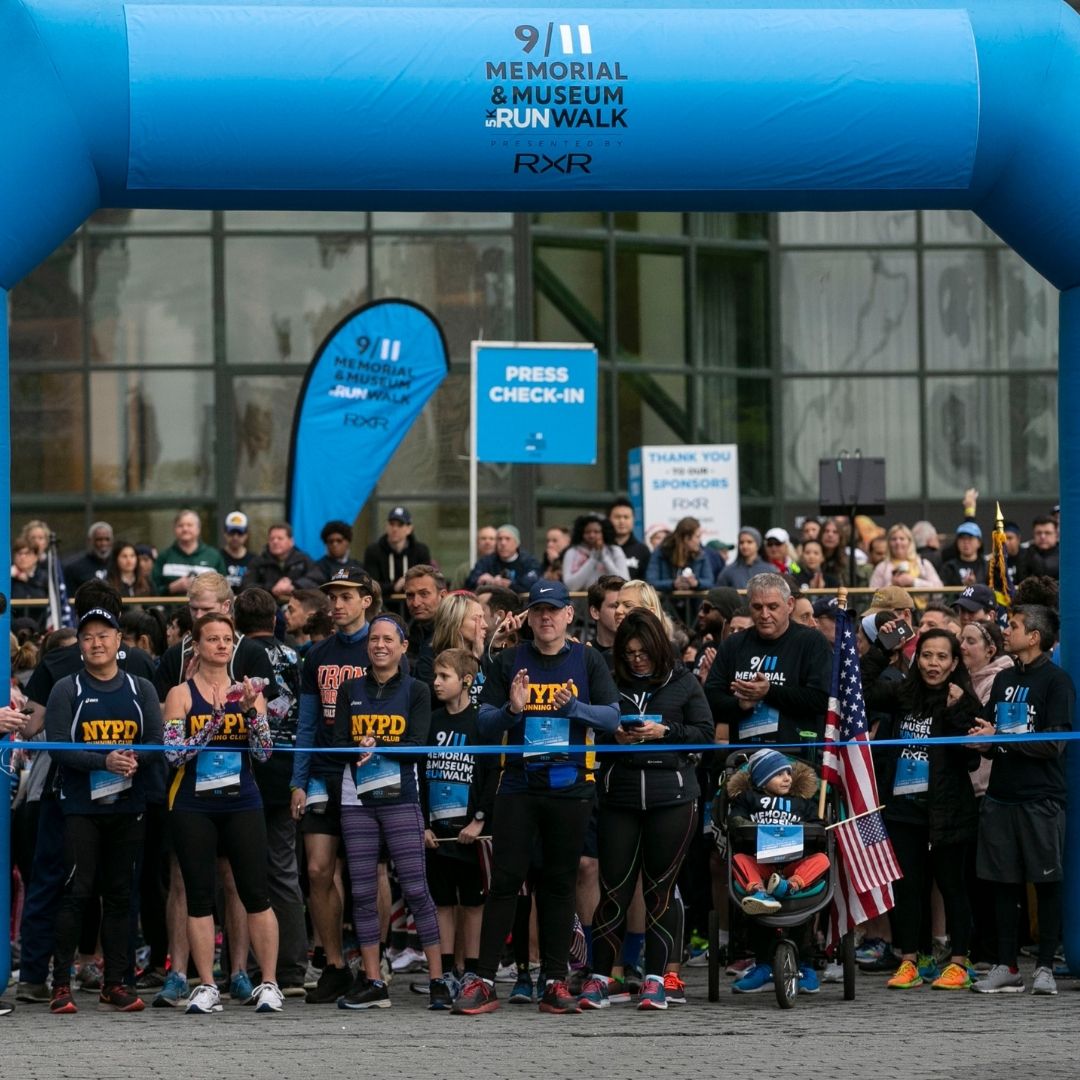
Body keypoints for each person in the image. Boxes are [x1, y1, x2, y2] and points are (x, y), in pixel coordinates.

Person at [452, 580, 620, 1015]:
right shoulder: (510, 660)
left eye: (554, 610)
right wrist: (512, 709)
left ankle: (554, 980)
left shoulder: (588, 659)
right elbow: (483, 725)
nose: (546, 618)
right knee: (505, 881)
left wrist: (575, 710)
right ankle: (485, 979)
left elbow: (612, 716)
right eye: (539, 610)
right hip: (518, 786)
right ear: (528, 617)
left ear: (569, 615)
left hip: (570, 786)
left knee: (559, 883)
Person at [582, 609, 713, 1011]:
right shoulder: (608, 680)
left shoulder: (683, 681)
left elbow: (706, 735)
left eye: (644, 652)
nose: (637, 659)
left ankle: (657, 978)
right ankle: (602, 977)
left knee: (659, 891)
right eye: (630, 652)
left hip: (671, 797)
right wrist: (612, 733)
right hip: (619, 795)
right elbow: (591, 723)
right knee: (614, 889)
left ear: (659, 648)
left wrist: (665, 732)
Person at [44, 606, 163, 1014]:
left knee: (119, 895)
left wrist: (133, 761)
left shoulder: (140, 687)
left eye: (104, 635)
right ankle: (60, 983)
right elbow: (58, 746)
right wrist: (104, 761)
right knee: (77, 892)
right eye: (88, 637)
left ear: (118, 642)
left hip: (129, 805)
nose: (96, 643)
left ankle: (116, 982)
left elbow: (154, 742)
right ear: (80, 645)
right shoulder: (67, 688)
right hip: (80, 806)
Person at [162, 613, 283, 1014]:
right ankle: (208, 985)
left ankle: (268, 982)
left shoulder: (249, 690)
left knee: (255, 893)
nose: (220, 645)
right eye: (212, 639)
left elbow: (264, 753)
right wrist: (212, 724)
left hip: (242, 801)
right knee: (199, 896)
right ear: (196, 645)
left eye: (227, 639)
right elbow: (174, 754)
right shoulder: (180, 694)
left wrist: (250, 713)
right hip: (193, 804)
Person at [332, 613, 450, 1009]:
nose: (379, 645)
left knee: (417, 889)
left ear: (403, 647)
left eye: (388, 639)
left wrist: (376, 741)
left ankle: (437, 979)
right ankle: (373, 981)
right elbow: (338, 742)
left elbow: (417, 745)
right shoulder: (350, 689)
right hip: (357, 800)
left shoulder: (416, 690)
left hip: (401, 799)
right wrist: (357, 744)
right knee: (363, 893)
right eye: (374, 639)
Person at [862, 627, 981, 990]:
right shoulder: (902, 693)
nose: (933, 663)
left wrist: (957, 709)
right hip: (903, 810)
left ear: (954, 662)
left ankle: (959, 961)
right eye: (927, 655)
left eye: (942, 657)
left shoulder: (963, 699)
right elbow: (860, 692)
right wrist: (882, 650)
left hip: (948, 810)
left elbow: (972, 759)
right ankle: (909, 959)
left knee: (951, 885)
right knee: (908, 888)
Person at [969, 605, 1073, 996]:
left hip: (1041, 799)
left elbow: (1054, 744)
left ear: (1034, 636)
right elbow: (993, 740)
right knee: (1003, 884)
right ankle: (1006, 965)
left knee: (1046, 883)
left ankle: (1045, 966)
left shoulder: (1057, 682)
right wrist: (984, 738)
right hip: (1000, 798)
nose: (1005, 631)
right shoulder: (1003, 680)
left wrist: (1002, 736)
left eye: (1012, 626)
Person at [289, 567, 376, 1005]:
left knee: (367, 874)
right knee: (319, 870)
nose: (337, 604)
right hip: (323, 770)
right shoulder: (316, 655)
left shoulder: (380, 647)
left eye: (346, 596)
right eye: (332, 597)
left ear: (366, 600)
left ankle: (373, 966)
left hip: (366, 773)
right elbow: (306, 724)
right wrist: (297, 781)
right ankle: (335, 964)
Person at [233, 587, 308, 996]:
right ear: (275, 620)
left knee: (243, 873)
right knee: (283, 871)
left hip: (246, 772)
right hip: (287, 771)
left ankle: (243, 967)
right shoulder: (296, 656)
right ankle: (293, 968)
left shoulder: (237, 656)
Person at [421, 649, 498, 989]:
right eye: (435, 676)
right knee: (442, 902)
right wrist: (422, 823)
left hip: (470, 830)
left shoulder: (481, 721)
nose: (436, 683)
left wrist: (479, 821)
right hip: (436, 832)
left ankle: (473, 971)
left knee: (472, 903)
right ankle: (449, 970)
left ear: (466, 681)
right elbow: (419, 774)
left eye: (444, 677)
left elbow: (493, 774)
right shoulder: (432, 721)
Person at [705, 573, 832, 752]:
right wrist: (739, 705)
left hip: (796, 758)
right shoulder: (733, 644)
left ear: (789, 605)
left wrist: (769, 691)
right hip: (744, 758)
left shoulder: (812, 641)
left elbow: (822, 699)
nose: (765, 615)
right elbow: (711, 699)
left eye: (773, 607)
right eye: (757, 607)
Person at [728, 749, 829, 914]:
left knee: (822, 859)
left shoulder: (800, 802)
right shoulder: (749, 798)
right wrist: (750, 826)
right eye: (779, 774)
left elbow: (818, 826)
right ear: (762, 781)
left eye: (788, 773)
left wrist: (805, 828)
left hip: (793, 864)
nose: (787, 778)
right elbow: (735, 820)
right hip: (759, 861)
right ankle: (758, 893)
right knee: (738, 859)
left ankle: (790, 886)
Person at [362, 506, 433, 602]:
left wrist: (408, 583)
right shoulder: (373, 551)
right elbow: (370, 585)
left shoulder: (421, 551)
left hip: (414, 606)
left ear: (409, 528)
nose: (395, 529)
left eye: (400, 525)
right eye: (392, 524)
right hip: (383, 606)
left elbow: (426, 582)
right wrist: (394, 586)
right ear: (386, 526)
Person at [152, 510, 227, 595]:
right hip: (171, 608)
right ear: (174, 529)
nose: (185, 529)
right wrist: (172, 588)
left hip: (205, 607)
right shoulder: (164, 557)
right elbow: (153, 591)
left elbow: (224, 590)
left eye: (189, 525)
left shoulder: (214, 556)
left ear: (198, 529)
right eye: (180, 526)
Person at [244, 522, 321, 601]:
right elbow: (247, 586)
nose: (275, 542)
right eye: (272, 539)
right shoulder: (258, 561)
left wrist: (294, 585)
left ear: (291, 541)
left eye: (280, 538)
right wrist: (272, 588)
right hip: (267, 607)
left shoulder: (303, 559)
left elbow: (318, 580)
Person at [403, 564, 448, 688]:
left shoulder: (455, 633)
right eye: (410, 596)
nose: (416, 603)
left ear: (443, 596)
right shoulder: (404, 633)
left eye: (424, 594)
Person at [868, 524, 944, 597]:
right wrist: (892, 585)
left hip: (923, 609)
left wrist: (913, 582)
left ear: (909, 542)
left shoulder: (923, 564)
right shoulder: (882, 567)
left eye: (902, 539)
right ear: (889, 543)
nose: (898, 542)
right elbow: (872, 595)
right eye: (894, 539)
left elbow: (939, 591)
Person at [646, 516, 714, 595]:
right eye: (697, 537)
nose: (699, 541)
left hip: (695, 606)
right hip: (666, 605)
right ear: (686, 538)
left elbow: (710, 582)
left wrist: (696, 583)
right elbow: (651, 582)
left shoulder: (701, 554)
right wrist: (673, 584)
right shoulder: (660, 552)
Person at [561, 514, 629, 591]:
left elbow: (625, 583)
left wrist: (604, 557)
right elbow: (570, 586)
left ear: (604, 533)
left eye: (596, 532)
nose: (592, 535)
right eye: (587, 532)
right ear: (581, 533)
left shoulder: (614, 551)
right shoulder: (572, 552)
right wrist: (593, 559)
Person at [465, 524, 542, 593]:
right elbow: (469, 582)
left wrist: (509, 584)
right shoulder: (486, 561)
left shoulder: (529, 561)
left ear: (517, 543)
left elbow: (533, 583)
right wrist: (481, 581)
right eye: (499, 539)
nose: (503, 543)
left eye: (507, 539)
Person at [63, 521, 114, 592]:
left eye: (107, 539)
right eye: (99, 539)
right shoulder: (74, 569)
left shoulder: (118, 564)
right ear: (90, 541)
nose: (103, 543)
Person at [607, 498, 651, 581]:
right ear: (609, 519)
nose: (622, 521)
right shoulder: (602, 549)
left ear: (633, 519)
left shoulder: (642, 550)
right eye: (617, 517)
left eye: (626, 517)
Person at [587, 574, 626, 658]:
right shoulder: (585, 655)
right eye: (614, 606)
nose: (621, 611)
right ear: (595, 612)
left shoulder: (639, 654)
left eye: (626, 605)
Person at [313, 519, 365, 584]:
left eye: (339, 540)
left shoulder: (358, 566)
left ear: (347, 542)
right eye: (331, 541)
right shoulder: (319, 567)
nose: (334, 544)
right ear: (326, 544)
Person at [940, 522, 987, 587]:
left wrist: (975, 585)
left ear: (979, 543)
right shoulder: (949, 567)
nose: (966, 542)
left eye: (970, 538)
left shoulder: (987, 566)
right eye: (962, 538)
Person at [1017, 516, 1060, 582]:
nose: (1042, 536)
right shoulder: (1025, 554)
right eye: (1038, 533)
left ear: (1056, 535)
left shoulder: (1064, 555)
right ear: (1033, 534)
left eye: (1047, 533)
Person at [220, 510, 254, 592]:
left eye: (240, 533)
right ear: (225, 533)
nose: (235, 537)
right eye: (231, 532)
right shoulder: (217, 557)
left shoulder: (254, 560)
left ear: (246, 535)